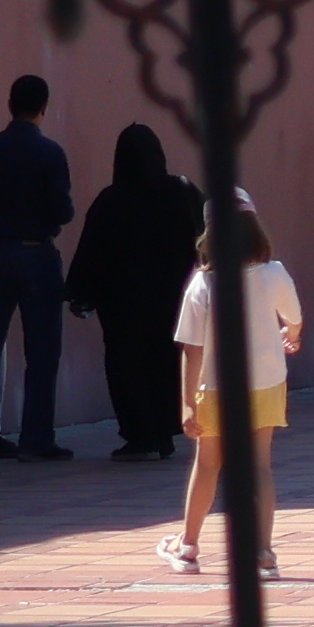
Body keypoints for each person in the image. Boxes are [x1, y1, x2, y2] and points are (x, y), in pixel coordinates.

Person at [163, 190, 310, 576]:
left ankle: (189, 544)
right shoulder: (274, 273)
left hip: (214, 387)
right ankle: (262, 551)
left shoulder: (203, 283)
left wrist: (186, 404)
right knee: (259, 465)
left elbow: (191, 349)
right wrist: (290, 334)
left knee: (208, 464)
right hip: (265, 383)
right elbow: (294, 317)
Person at [68, 121, 207, 460]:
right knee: (168, 361)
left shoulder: (111, 201)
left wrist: (80, 293)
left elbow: (91, 252)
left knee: (128, 365)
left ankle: (141, 435)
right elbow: (206, 240)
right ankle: (166, 430)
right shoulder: (182, 192)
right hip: (174, 301)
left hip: (123, 307)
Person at [0, 72, 77, 457]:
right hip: (36, 251)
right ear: (43, 108)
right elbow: (63, 210)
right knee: (42, 351)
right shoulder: (50, 153)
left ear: (10, 105)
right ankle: (36, 438)